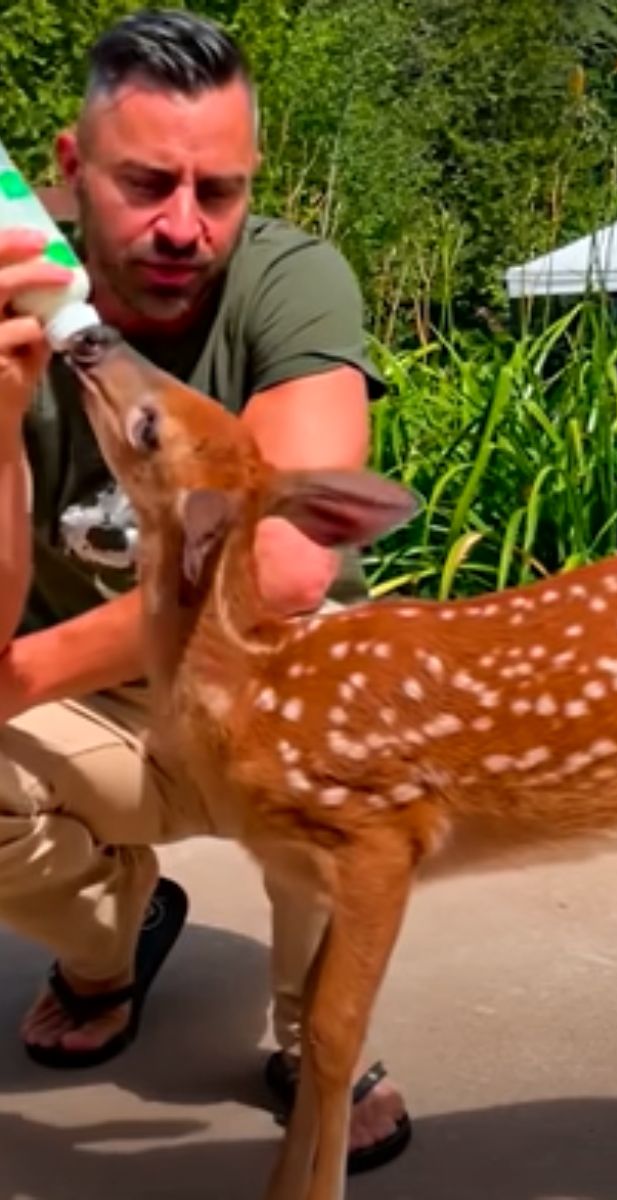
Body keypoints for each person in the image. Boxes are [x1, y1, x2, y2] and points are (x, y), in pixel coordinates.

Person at [0, 7, 411, 1174]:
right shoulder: (15, 296)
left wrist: (23, 672)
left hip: (256, 680)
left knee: (351, 714)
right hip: (100, 714)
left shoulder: (290, 280)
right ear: (72, 175)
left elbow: (282, 565)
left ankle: (314, 1035)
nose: (185, 227)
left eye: (218, 191)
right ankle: (106, 951)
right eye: (146, 184)